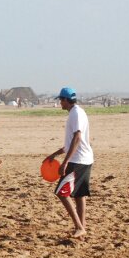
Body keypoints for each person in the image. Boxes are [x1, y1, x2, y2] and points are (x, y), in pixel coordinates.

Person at [44, 87, 93, 239]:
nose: (60, 103)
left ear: (66, 100)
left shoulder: (76, 113)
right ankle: (82, 227)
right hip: (84, 159)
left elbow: (77, 138)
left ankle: (79, 227)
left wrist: (65, 162)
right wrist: (54, 154)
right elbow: (70, 142)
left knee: (61, 192)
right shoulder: (76, 112)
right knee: (79, 195)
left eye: (61, 100)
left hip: (78, 161)